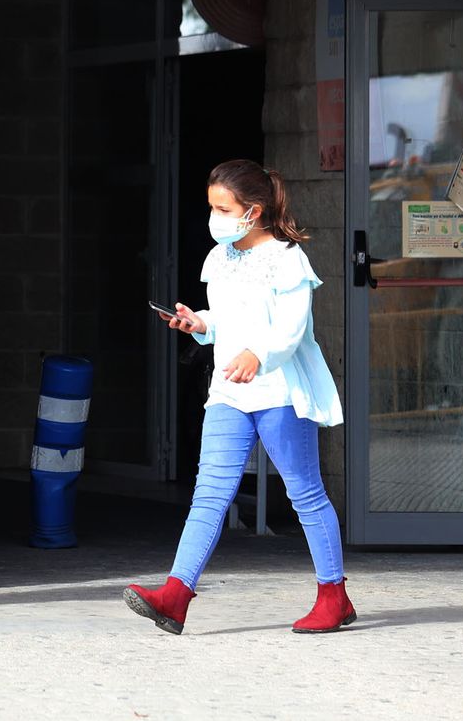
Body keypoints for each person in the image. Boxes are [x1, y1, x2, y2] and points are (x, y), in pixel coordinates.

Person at [124, 160, 353, 635]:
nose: (215, 217)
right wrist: (199, 324)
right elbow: (227, 317)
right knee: (208, 493)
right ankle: (176, 595)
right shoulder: (221, 258)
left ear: (252, 211)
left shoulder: (288, 259)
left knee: (305, 493)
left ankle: (334, 596)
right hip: (228, 391)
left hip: (278, 392)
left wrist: (258, 354)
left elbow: (290, 330)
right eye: (212, 207)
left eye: (222, 208)